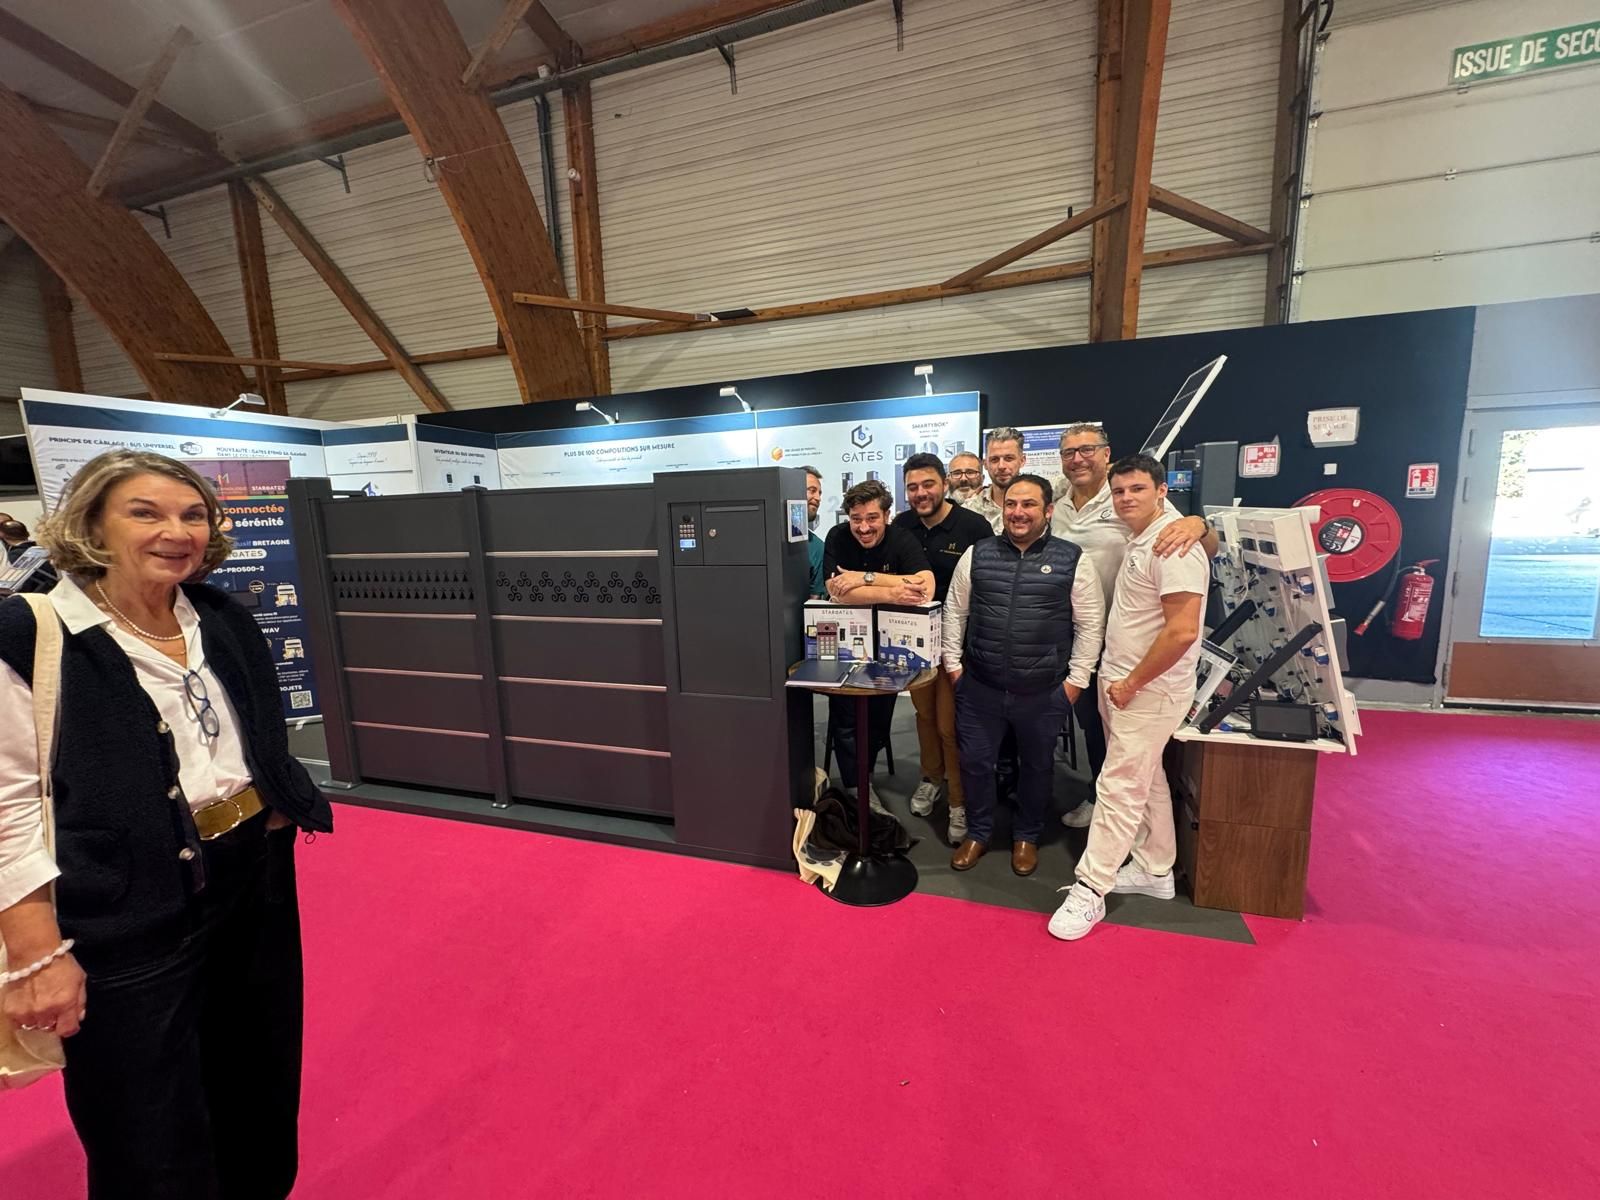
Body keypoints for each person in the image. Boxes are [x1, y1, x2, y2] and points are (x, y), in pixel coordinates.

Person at [0, 450, 334, 1197]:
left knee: (256, 1078)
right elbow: (7, 806)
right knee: (145, 1121)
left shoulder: (217, 615)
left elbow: (258, 731)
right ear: (92, 524)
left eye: (192, 515)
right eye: (144, 513)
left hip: (250, 881)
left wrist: (276, 806)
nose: (176, 532)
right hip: (124, 904)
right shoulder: (29, 634)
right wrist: (35, 955)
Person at [1049, 455, 1209, 942]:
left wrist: (1133, 682)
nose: (1125, 499)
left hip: (1147, 689)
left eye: (1137, 489)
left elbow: (1182, 631)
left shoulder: (1175, 545)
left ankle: (1090, 888)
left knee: (1118, 787)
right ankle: (1156, 868)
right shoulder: (1143, 536)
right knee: (1147, 778)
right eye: (1119, 491)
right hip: (1122, 682)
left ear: (1162, 491)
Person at [1051, 424, 1217, 830]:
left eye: (1087, 449)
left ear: (1106, 453)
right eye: (1069, 452)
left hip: (1119, 638)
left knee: (1103, 728)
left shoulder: (1126, 496)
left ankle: (1101, 800)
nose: (1078, 459)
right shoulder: (1059, 499)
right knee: (1082, 718)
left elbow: (1201, 543)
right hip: (1068, 631)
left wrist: (1199, 524)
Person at [942, 474, 1105, 876]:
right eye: (1012, 504)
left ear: (1048, 510)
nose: (1018, 512)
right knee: (976, 764)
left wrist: (1075, 682)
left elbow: (1089, 624)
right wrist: (954, 667)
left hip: (1043, 692)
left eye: (1029, 504)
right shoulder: (977, 554)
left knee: (1036, 766)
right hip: (980, 686)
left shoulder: (1072, 558)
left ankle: (1027, 836)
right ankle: (978, 832)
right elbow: (955, 611)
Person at [890, 454, 993, 845]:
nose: (921, 493)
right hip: (915, 644)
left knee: (950, 726)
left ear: (944, 484)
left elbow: (988, 584)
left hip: (958, 645)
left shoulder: (973, 526)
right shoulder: (901, 526)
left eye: (928, 484)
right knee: (925, 716)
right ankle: (931, 778)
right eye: (913, 487)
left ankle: (958, 801)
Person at [822, 479, 935, 809]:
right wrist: (894, 592)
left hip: (891, 645)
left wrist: (863, 578)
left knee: (878, 719)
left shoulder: (902, 538)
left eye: (872, 518)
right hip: (845, 644)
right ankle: (856, 788)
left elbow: (925, 586)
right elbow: (836, 592)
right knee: (844, 719)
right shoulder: (837, 536)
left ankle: (866, 775)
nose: (863, 527)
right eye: (856, 518)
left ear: (886, 515)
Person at [963, 427, 1027, 533]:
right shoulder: (970, 509)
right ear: (985, 464)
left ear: (1022, 460)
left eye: (1009, 458)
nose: (1001, 466)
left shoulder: (1039, 503)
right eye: (994, 459)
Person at [800, 464, 826, 597]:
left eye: (819, 493)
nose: (818, 498)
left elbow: (815, 601)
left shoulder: (817, 547)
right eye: (812, 490)